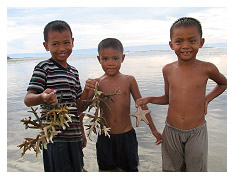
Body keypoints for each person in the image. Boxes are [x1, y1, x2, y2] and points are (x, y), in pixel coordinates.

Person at [136, 17, 227, 172]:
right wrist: (149, 99)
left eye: (192, 41)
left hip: (196, 130)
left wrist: (207, 99)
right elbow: (168, 98)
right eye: (179, 41)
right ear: (171, 45)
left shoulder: (207, 68)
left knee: (196, 169)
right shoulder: (168, 69)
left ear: (201, 42)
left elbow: (224, 83)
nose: (185, 46)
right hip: (171, 130)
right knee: (171, 169)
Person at [24, 20, 94, 172]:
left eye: (66, 42)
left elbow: (79, 108)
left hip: (74, 136)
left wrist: (89, 92)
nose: (62, 48)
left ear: (73, 42)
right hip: (53, 137)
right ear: (46, 46)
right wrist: (42, 96)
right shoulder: (44, 68)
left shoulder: (74, 72)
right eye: (55, 44)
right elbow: (28, 99)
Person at [85, 38, 162, 172]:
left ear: (123, 58)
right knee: (106, 171)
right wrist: (86, 90)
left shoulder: (129, 80)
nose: (110, 63)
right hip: (105, 137)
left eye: (115, 58)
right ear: (99, 59)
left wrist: (153, 129)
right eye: (105, 59)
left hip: (127, 137)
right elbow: (83, 107)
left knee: (131, 170)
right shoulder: (96, 83)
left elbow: (142, 106)